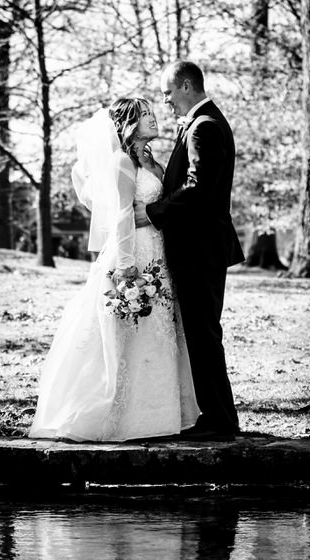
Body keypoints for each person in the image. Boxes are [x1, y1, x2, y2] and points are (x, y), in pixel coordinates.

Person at [29, 98, 199, 442]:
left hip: (158, 252)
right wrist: (125, 269)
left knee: (157, 331)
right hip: (134, 253)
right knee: (125, 333)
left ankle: (156, 415)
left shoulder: (149, 160)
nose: (154, 118)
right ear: (129, 125)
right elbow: (121, 217)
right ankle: (117, 415)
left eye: (153, 112)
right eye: (146, 115)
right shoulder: (121, 163)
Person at [136, 61, 244, 441]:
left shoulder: (205, 127)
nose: (165, 101)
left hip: (201, 250)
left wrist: (152, 213)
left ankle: (220, 421)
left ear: (185, 86)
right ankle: (218, 416)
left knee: (203, 335)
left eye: (167, 93)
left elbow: (198, 189)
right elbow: (192, 181)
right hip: (202, 249)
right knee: (201, 334)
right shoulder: (203, 124)